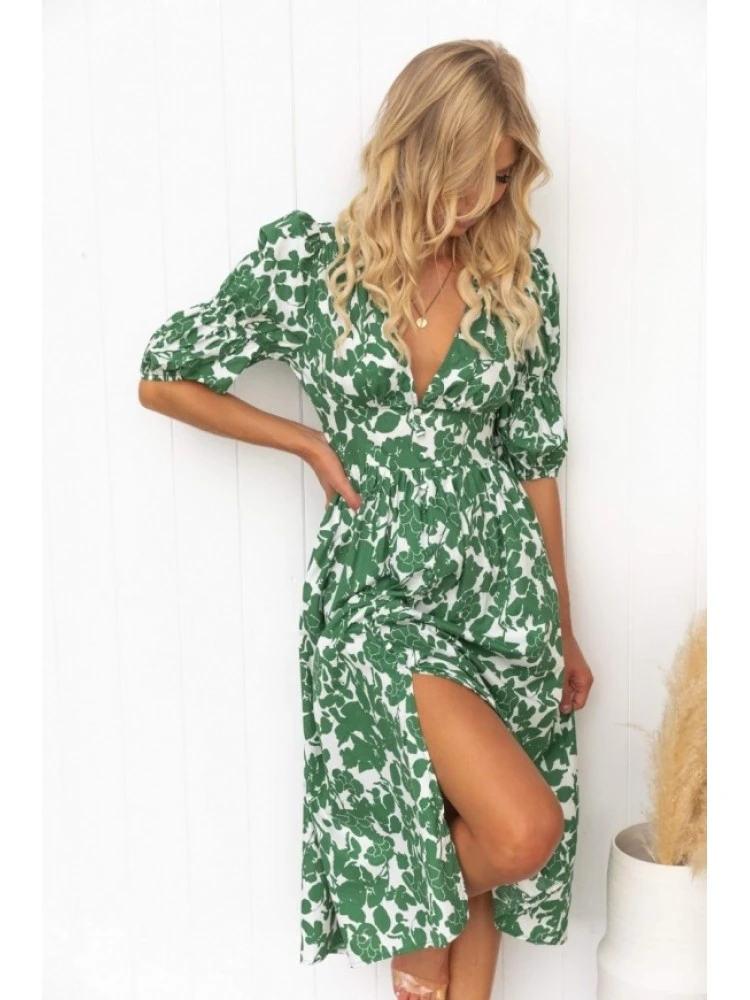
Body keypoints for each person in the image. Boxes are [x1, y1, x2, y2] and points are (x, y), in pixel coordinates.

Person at [138, 37, 594, 1000]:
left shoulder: (519, 280)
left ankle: (414, 937)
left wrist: (563, 622)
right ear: (419, 147)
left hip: (501, 598)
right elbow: (165, 376)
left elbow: (536, 462)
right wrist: (306, 442)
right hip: (375, 595)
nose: (479, 201)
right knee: (521, 831)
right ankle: (407, 936)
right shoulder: (315, 266)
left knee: (478, 844)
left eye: (499, 179)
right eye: (467, 175)